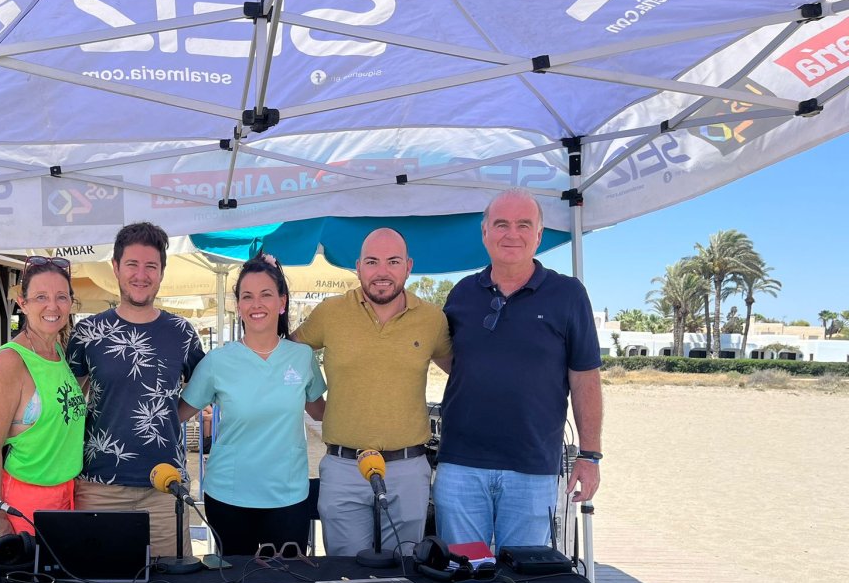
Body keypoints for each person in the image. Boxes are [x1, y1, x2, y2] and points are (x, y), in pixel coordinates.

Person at [435, 189, 603, 551]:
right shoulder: (461, 293)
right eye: (501, 224)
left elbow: (585, 378)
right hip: (460, 465)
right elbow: (448, 356)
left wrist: (590, 456)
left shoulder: (568, 294)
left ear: (539, 235)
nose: (512, 234)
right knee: (464, 577)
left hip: (533, 467)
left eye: (524, 225)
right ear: (484, 233)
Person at [292, 229, 451, 557]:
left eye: (393, 262)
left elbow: (464, 374)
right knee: (346, 577)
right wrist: (314, 402)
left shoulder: (432, 319)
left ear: (408, 266)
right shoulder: (330, 312)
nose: (382, 272)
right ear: (358, 267)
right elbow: (287, 356)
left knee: (404, 574)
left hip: (407, 469)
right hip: (343, 467)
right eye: (372, 262)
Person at [66, 222, 205, 557]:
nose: (141, 275)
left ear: (161, 272)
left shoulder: (182, 333)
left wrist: (171, 414)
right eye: (132, 264)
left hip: (165, 487)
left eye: (151, 266)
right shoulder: (88, 333)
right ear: (115, 267)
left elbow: (204, 388)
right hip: (100, 486)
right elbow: (70, 402)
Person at [179, 254, 326, 555]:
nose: (256, 304)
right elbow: (177, 415)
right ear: (238, 306)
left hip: (289, 498)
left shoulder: (302, 357)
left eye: (266, 295)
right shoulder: (217, 362)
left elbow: (322, 414)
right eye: (247, 296)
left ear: (282, 302)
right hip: (228, 497)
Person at [0, 256, 85, 542]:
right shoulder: (12, 359)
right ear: (23, 303)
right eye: (41, 297)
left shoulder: (60, 354)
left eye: (61, 297)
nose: (52, 306)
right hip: (22, 501)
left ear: (70, 304)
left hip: (66, 496)